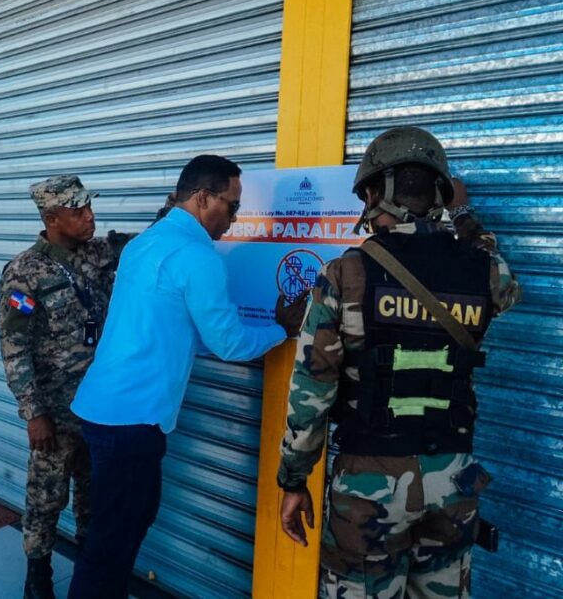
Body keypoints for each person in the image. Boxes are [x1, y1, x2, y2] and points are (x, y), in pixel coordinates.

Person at [277, 127, 522, 599]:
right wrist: (466, 217)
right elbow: (508, 287)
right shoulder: (484, 269)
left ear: (374, 193)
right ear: (442, 194)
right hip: (454, 479)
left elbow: (312, 393)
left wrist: (293, 479)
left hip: (370, 488)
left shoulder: (346, 274)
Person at [67, 154, 308, 599]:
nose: (233, 220)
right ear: (202, 199)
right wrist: (281, 329)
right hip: (130, 423)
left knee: (115, 531)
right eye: (231, 207)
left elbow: (178, 329)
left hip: (104, 410)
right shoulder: (198, 256)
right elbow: (229, 344)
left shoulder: (146, 243)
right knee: (112, 542)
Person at [0, 175, 130, 599]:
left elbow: (157, 236)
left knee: (96, 495)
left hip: (102, 408)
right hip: (55, 412)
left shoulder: (102, 253)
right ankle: (37, 576)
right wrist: (34, 413)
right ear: (52, 219)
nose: (90, 216)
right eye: (79, 211)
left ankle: (91, 575)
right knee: (46, 497)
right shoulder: (24, 271)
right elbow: (14, 346)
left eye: (90, 207)